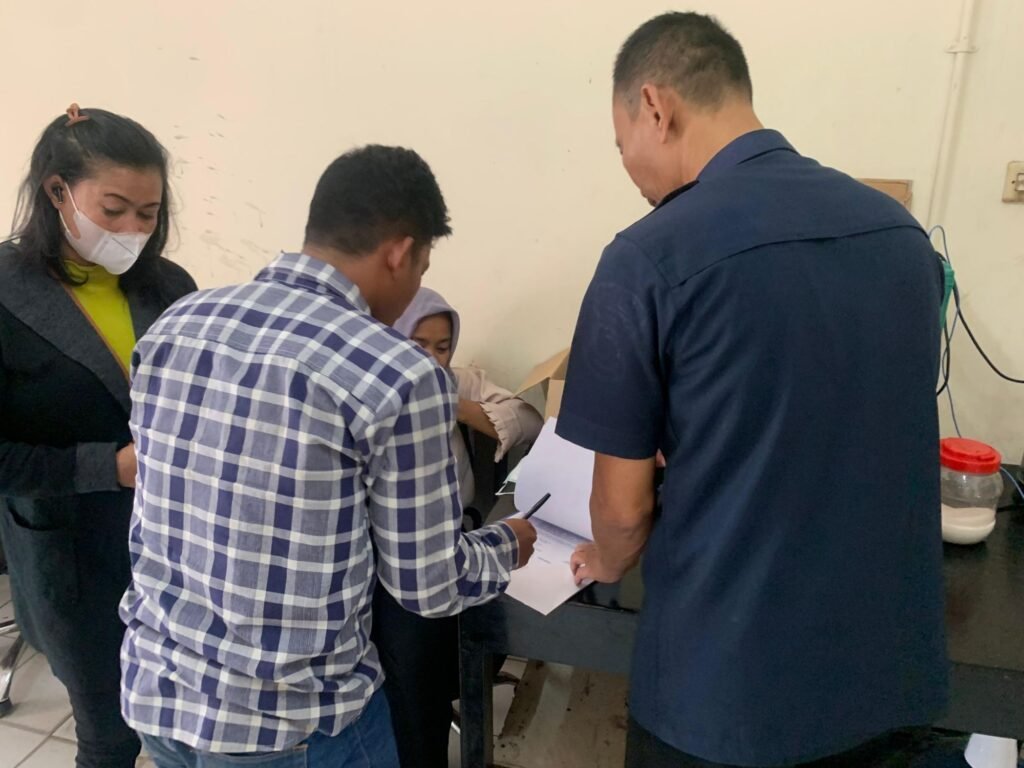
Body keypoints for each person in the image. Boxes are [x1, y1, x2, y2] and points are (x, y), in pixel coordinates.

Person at [557, 13, 948, 768]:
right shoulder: (900, 236)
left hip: (728, 699)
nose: (627, 166)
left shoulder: (647, 258)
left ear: (655, 107)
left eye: (620, 142)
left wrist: (606, 560)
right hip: (886, 680)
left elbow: (623, 511)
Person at [119, 144, 537, 768]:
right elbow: (427, 584)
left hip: (159, 693)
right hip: (291, 724)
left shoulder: (177, 324)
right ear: (400, 252)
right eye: (421, 266)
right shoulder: (399, 374)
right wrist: (508, 544)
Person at [0, 104, 196, 768]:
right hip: (71, 553)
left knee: (179, 714)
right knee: (109, 731)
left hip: (173, 544)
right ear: (58, 191)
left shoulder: (168, 287)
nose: (133, 230)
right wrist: (108, 467)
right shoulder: (6, 294)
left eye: (149, 214)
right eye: (114, 210)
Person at [377, 287, 543, 767]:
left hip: (457, 545)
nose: (431, 358)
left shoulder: (455, 382)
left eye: (442, 346)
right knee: (413, 685)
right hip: (399, 566)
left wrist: (449, 404)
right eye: (417, 344)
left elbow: (526, 418)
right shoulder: (374, 394)